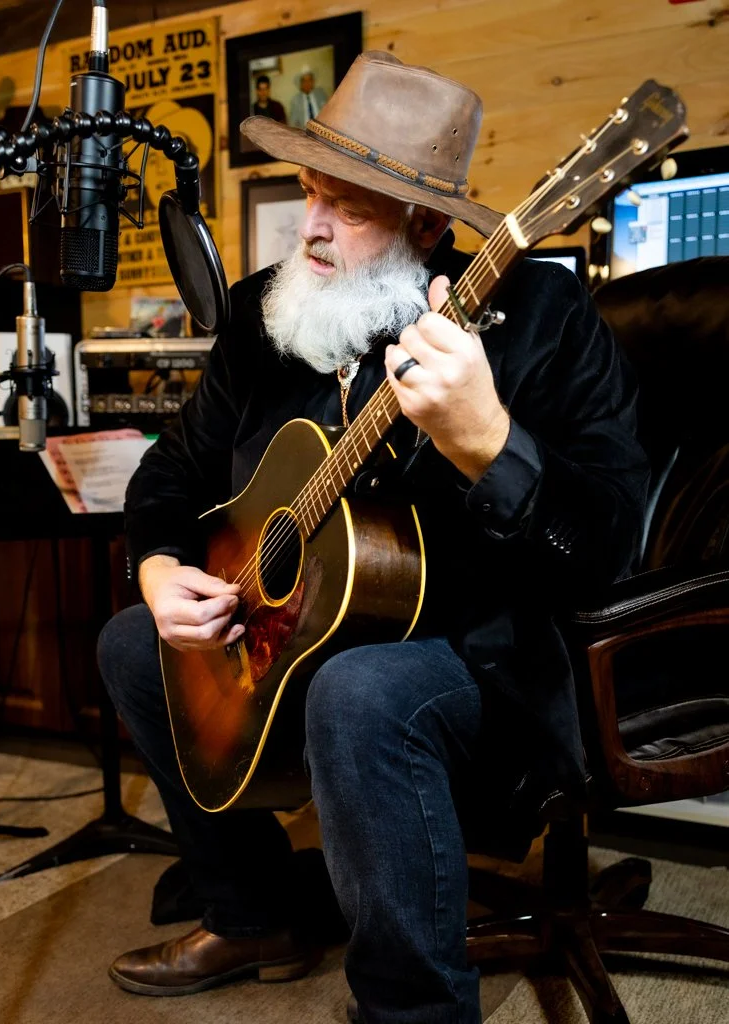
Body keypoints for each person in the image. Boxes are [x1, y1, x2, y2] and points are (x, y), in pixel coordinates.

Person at [98, 51, 648, 1024]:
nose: (309, 226)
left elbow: (608, 546)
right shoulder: (265, 323)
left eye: (345, 207)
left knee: (359, 692)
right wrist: (155, 569)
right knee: (132, 642)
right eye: (309, 193)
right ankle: (253, 910)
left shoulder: (543, 321)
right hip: (306, 633)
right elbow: (170, 472)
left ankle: (413, 1011)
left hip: (492, 658)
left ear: (428, 225)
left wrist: (493, 447)